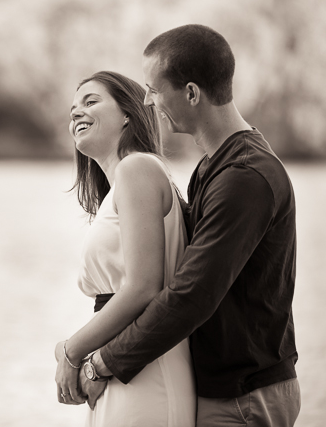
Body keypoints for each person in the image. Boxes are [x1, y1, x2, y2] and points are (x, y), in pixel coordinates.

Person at [85, 24, 300, 426]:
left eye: (154, 89)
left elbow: (191, 295)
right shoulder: (213, 167)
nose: (149, 101)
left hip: (244, 395)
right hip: (221, 388)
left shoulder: (245, 175)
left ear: (191, 93)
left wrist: (102, 361)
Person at [54, 71, 197, 426]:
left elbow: (143, 287)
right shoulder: (121, 185)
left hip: (146, 371)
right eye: (73, 108)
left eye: (90, 102)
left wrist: (71, 352)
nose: (76, 113)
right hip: (116, 364)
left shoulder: (138, 168)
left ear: (128, 114)